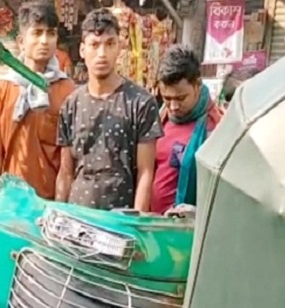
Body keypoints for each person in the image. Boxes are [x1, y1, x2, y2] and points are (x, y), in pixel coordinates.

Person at [56, 8, 162, 211]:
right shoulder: (71, 105)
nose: (102, 54)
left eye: (110, 44)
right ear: (82, 50)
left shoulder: (141, 102)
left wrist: (135, 224)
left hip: (120, 221)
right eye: (94, 45)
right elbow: (66, 171)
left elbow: (146, 172)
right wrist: (58, 215)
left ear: (119, 47)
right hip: (78, 219)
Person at [0, 1, 76, 199]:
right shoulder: (2, 88)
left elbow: (67, 164)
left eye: (51, 33)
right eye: (37, 33)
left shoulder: (68, 91)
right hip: (11, 201)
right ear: (21, 41)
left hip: (50, 203)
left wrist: (59, 208)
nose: (44, 41)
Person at [151, 45, 224, 214]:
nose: (174, 106)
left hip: (185, 230)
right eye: (167, 98)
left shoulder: (215, 129)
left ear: (197, 85)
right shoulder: (160, 117)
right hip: (151, 224)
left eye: (180, 98)